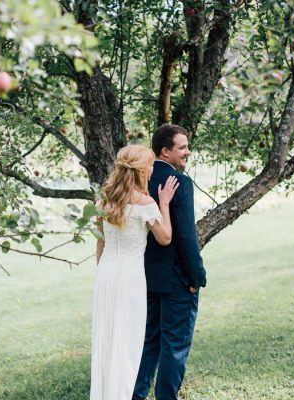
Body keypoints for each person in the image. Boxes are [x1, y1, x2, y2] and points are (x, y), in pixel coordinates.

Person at [90, 144, 179, 400]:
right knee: (127, 341)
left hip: (106, 274)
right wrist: (164, 204)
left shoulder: (103, 200)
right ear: (141, 171)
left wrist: (103, 272)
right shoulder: (145, 202)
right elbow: (165, 238)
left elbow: (100, 243)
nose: (153, 170)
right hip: (130, 277)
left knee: (106, 339)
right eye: (150, 165)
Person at [132, 124, 207, 400]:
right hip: (177, 280)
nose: (187, 152)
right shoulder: (179, 183)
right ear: (165, 151)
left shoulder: (140, 182)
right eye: (182, 147)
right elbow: (187, 236)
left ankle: (136, 396)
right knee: (175, 345)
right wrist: (196, 276)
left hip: (147, 278)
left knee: (150, 342)